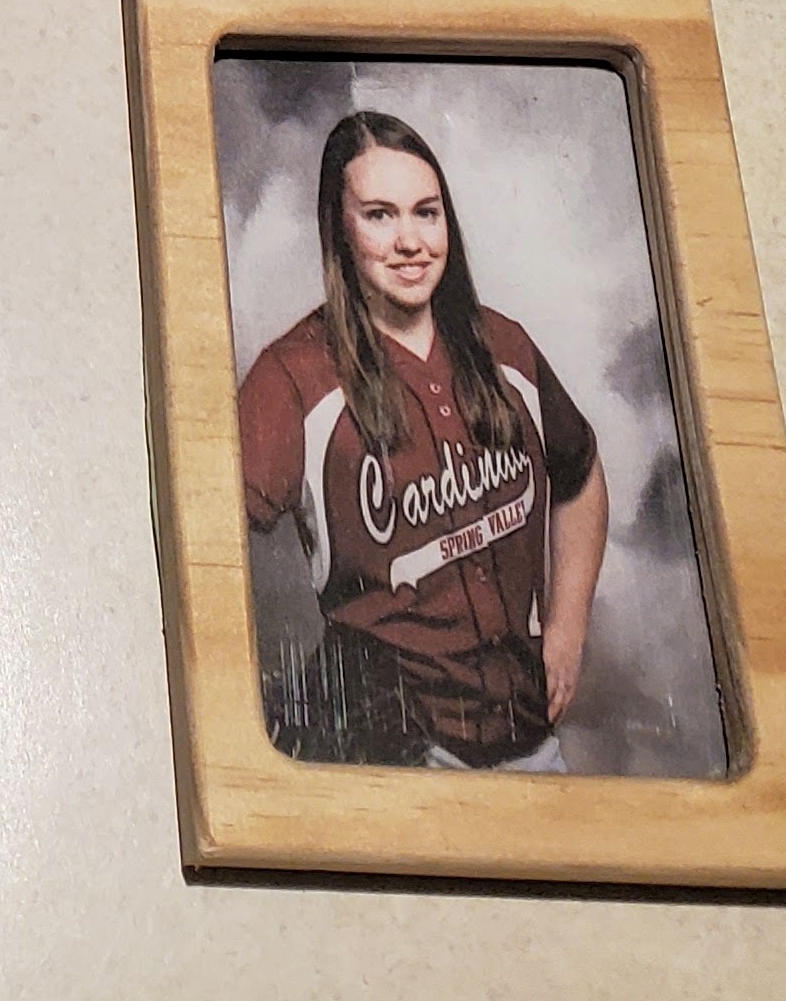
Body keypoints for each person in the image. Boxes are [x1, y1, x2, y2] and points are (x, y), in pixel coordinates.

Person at [236, 110, 610, 770]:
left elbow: (578, 474)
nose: (410, 238)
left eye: (426, 212)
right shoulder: (294, 377)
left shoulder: (507, 347)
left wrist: (568, 625)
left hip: (529, 735)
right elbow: (197, 541)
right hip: (396, 755)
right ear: (339, 228)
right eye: (380, 214)